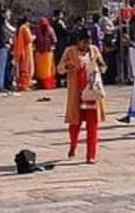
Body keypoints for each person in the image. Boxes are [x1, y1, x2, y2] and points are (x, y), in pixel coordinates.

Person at [58, 27, 107, 163]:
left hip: (92, 93)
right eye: (84, 42)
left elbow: (103, 68)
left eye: (88, 42)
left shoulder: (94, 50)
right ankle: (73, 145)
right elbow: (60, 68)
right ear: (78, 41)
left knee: (93, 125)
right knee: (75, 124)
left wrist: (100, 64)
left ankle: (90, 155)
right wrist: (69, 66)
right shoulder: (70, 51)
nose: (86, 45)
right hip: (77, 94)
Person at [34, 17, 57, 90]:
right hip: (39, 53)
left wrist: (51, 47)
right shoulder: (37, 30)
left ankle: (47, 84)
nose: (43, 26)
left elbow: (54, 40)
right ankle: (41, 84)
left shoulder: (50, 29)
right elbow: (34, 40)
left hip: (48, 53)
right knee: (40, 71)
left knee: (47, 70)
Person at [14, 16, 34, 91]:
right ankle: (25, 85)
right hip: (26, 51)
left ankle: (20, 84)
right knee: (26, 68)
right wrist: (34, 37)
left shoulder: (18, 29)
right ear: (26, 21)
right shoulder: (25, 28)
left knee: (20, 68)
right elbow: (28, 39)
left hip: (19, 51)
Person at [51, 9, 70, 87]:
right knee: (60, 62)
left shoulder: (60, 23)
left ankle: (62, 80)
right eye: (61, 14)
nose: (62, 16)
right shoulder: (57, 24)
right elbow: (64, 32)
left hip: (62, 46)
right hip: (60, 46)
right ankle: (59, 81)